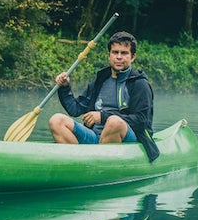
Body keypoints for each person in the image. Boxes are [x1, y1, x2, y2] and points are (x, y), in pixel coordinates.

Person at [48, 31, 160, 160]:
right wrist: (64, 87)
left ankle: (99, 164)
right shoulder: (100, 81)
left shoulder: (140, 84)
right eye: (115, 52)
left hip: (128, 139)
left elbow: (141, 120)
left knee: (114, 122)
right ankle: (78, 163)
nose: (119, 57)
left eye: (124, 53)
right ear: (109, 55)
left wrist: (103, 116)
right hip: (95, 136)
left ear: (132, 57)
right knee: (56, 120)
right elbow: (75, 109)